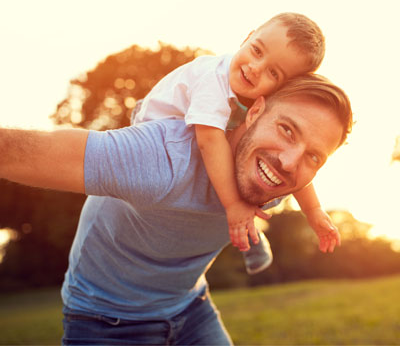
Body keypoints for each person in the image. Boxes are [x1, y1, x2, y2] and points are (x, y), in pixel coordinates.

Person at [0, 75, 353, 345]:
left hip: (189, 306)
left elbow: (297, 171)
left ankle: (252, 238)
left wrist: (315, 213)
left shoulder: (274, 175)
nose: (290, 163)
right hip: (105, 320)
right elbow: (14, 151)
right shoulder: (161, 158)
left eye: (314, 157)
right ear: (255, 111)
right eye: (287, 129)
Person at [132, 12, 339, 275]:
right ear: (248, 37)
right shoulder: (212, 79)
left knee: (261, 170)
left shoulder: (258, 97)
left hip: (198, 138)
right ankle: (245, 234)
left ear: (282, 89)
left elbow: (295, 159)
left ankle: (249, 237)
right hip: (157, 135)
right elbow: (208, 140)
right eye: (256, 50)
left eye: (273, 72)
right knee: (228, 182)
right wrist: (233, 205)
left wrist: (314, 211)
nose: (255, 67)